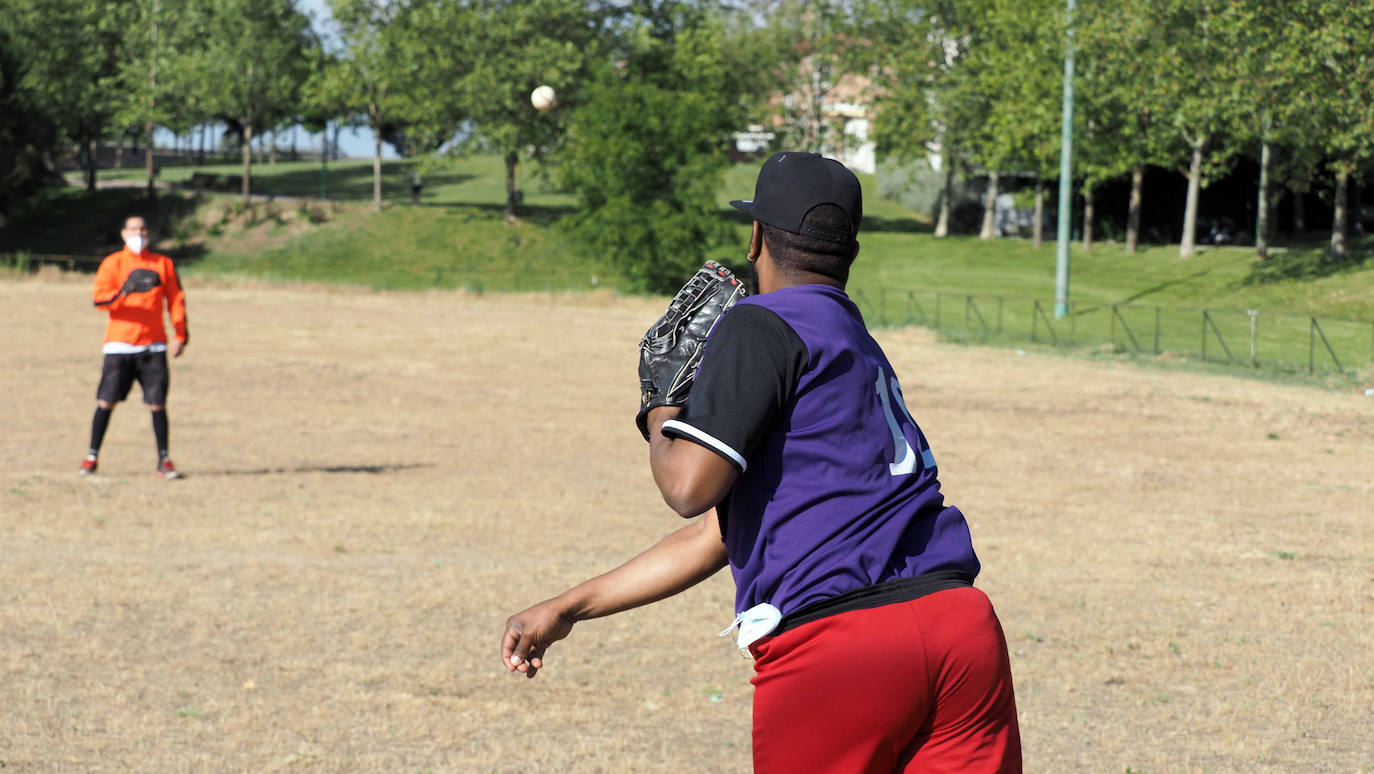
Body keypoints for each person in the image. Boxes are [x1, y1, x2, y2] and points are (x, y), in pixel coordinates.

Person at [500, 152, 1021, 773]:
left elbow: (689, 486)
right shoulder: (857, 344)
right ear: (849, 254)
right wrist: (569, 606)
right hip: (961, 630)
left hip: (843, 646)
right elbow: (719, 531)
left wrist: (661, 410)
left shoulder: (762, 323)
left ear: (756, 237)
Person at [80, 215, 188, 479]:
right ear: (123, 233)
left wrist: (180, 334)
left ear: (149, 232)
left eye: (142, 229)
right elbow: (99, 301)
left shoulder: (163, 264)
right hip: (120, 345)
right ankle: (92, 457)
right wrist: (125, 291)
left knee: (157, 403)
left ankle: (164, 460)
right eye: (132, 229)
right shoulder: (112, 263)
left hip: (153, 345)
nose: (138, 233)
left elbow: (176, 300)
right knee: (106, 401)